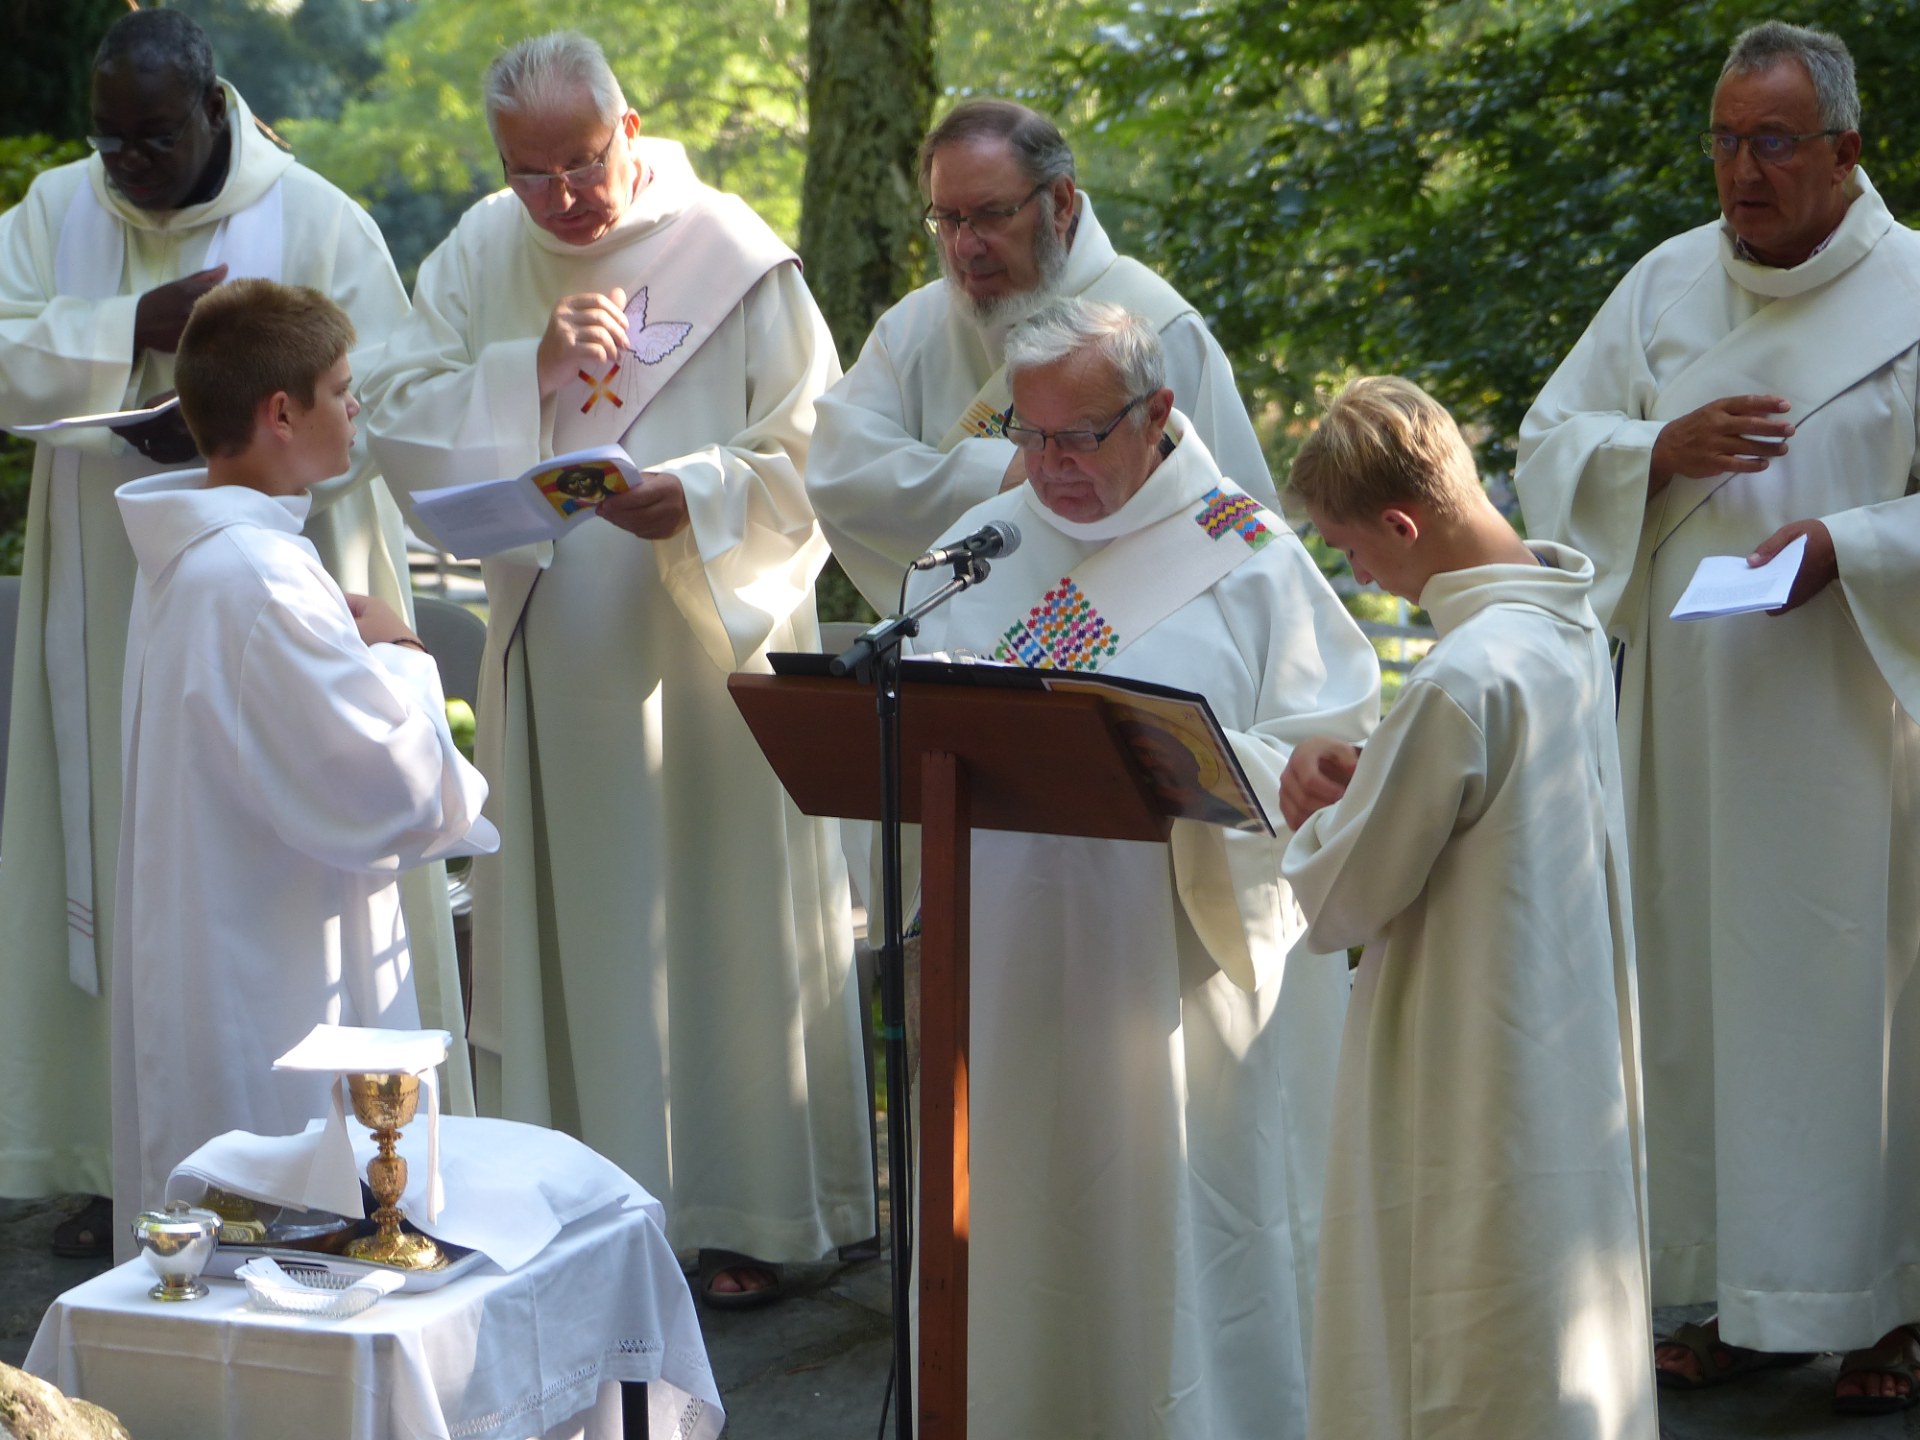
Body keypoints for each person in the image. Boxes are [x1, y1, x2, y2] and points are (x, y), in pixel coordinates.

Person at [361, 31, 873, 1305]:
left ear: (629, 128)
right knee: (583, 928)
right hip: (555, 660)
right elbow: (390, 405)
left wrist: (698, 495)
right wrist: (524, 369)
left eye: (582, 163)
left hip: (708, 656)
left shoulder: (735, 255)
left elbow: (824, 448)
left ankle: (746, 1210)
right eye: (530, 173)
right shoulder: (484, 250)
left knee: (721, 925)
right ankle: (582, 1204)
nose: (562, 199)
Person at [0, 7, 463, 1259]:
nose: (125, 164)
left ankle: (301, 1160)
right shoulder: (56, 209)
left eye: (150, 137)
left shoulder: (313, 214)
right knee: (159, 867)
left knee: (254, 878)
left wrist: (221, 441)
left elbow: (387, 396)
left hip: (275, 566)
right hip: (128, 567)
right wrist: (128, 338)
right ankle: (133, 1153)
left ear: (214, 106)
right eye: (108, 140)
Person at [1516, 20, 1920, 1412]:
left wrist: (1854, 551)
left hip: (1857, 723)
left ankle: (1888, 1309)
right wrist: (1652, 452)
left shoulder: (1917, 293)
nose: (1742, 172)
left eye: (1774, 142)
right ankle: (1736, 1298)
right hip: (1689, 726)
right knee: (1698, 1002)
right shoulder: (1661, 288)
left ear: (1846, 151)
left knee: (1859, 1003)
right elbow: (1544, 445)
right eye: (1726, 140)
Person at [907, 297, 1378, 1437]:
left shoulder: (1244, 552)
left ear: (1158, 412)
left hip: (1180, 960)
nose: (1050, 467)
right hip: (1011, 956)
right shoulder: (979, 547)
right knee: (1026, 1211)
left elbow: (1333, 735)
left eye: (1080, 437)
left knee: (1169, 1216)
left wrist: (1220, 768)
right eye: (1028, 434)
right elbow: (928, 712)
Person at [1279, 376, 1656, 1440]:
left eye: (1355, 550)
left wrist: (1313, 809)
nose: (1360, 573)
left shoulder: (1462, 676)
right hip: (1561, 1026)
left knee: (1461, 1307)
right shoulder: (1566, 626)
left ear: (1404, 523)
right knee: (1549, 1298)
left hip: (1469, 1046)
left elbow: (1347, 894)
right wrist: (1377, 789)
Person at [111, 278, 492, 1255]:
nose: (357, 405)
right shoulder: (261, 579)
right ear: (282, 412)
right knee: (292, 1256)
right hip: (275, 986)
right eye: (341, 386)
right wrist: (405, 656)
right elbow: (386, 788)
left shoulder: (192, 562)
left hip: (222, 942)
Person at [809, 98, 1278, 613]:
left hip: (1130, 650)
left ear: (1060, 203)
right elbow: (838, 471)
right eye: (947, 218)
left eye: (990, 215)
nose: (965, 246)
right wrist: (997, 474)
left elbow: (1237, 533)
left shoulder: (1161, 327)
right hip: (951, 660)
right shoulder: (914, 328)